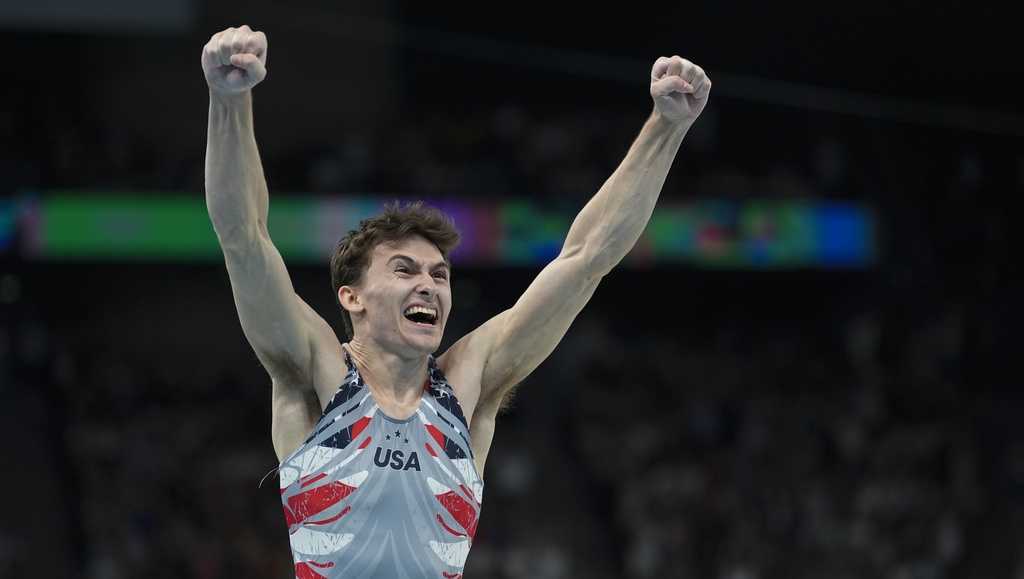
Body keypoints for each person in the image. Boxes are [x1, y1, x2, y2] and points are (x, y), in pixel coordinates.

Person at [201, 24, 711, 579]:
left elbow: (585, 257)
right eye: (405, 270)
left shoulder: (468, 384)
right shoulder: (314, 371)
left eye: (440, 275)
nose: (430, 285)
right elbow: (243, 237)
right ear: (352, 297)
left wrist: (666, 127)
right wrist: (229, 100)